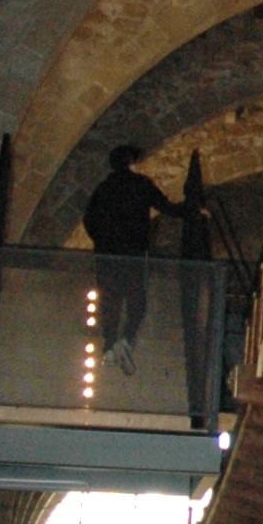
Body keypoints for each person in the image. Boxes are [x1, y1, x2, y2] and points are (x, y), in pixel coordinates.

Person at [82, 144, 174, 372]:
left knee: (110, 300)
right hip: (133, 253)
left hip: (108, 254)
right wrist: (193, 211)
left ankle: (109, 345)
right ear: (131, 163)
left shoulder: (104, 188)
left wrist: (101, 241)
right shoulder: (141, 185)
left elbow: (89, 219)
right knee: (137, 301)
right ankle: (126, 339)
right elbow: (167, 207)